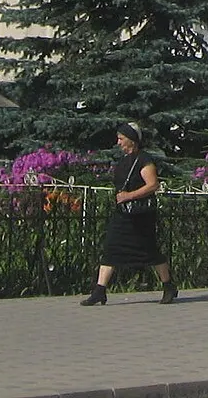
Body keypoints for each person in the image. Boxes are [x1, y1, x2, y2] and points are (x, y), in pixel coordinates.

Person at [81, 123, 176, 305]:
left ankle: (168, 286)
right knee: (111, 247)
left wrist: (128, 196)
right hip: (123, 213)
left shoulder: (144, 160)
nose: (118, 142)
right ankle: (100, 290)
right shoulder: (124, 160)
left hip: (140, 215)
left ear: (132, 140)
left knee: (149, 251)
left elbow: (152, 185)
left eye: (121, 139)